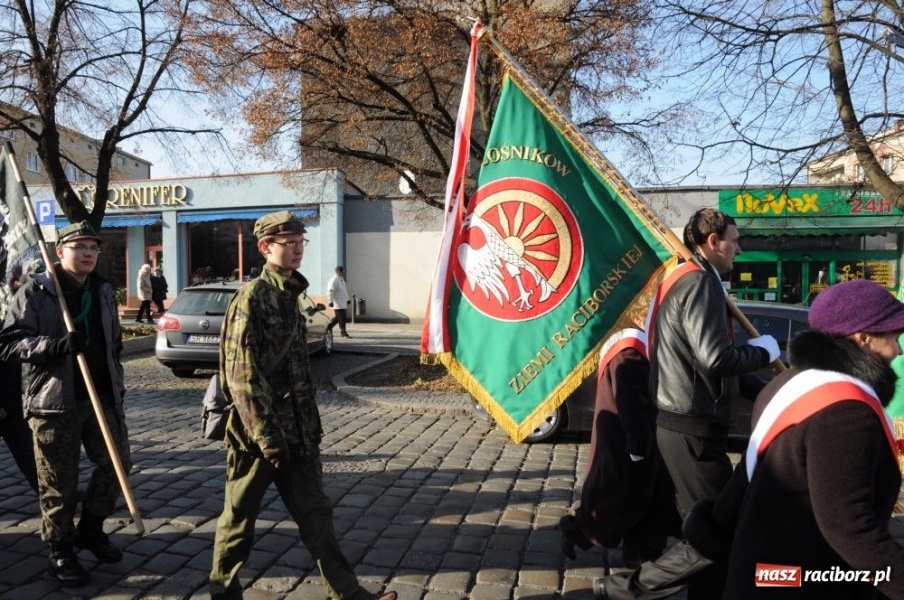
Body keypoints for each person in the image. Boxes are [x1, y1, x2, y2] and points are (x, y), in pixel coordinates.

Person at [209, 211, 396, 600]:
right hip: (257, 438)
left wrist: (306, 429)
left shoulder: (292, 295)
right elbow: (242, 376)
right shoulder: (253, 299)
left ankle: (348, 593)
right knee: (238, 522)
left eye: (300, 243)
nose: (296, 250)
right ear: (265, 247)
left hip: (299, 434)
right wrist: (267, 436)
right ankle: (223, 594)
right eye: (288, 243)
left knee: (317, 517)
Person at [712, 279, 904, 599]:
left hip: (767, 571)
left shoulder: (788, 380)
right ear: (864, 338)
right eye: (894, 337)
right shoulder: (845, 412)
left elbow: (748, 472)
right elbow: (848, 526)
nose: (898, 349)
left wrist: (713, 527)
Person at [0, 221, 130, 586]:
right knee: (59, 483)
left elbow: (113, 343)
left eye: (93, 247)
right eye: (79, 247)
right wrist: (53, 346)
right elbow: (9, 344)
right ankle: (60, 550)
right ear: (60, 252)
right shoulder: (37, 292)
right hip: (55, 402)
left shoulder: (103, 289)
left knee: (118, 466)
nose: (88, 253)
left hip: (101, 398)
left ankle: (90, 529)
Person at [559, 298, 675, 568]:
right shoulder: (630, 351)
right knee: (622, 501)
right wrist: (639, 445)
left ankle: (641, 559)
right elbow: (630, 404)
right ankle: (580, 533)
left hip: (628, 440)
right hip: (631, 444)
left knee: (637, 501)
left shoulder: (626, 343)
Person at [328, 265, 351, 338]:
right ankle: (343, 332)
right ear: (338, 272)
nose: (343, 273)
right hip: (337, 302)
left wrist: (348, 299)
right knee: (341, 318)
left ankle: (326, 328)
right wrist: (330, 301)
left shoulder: (341, 279)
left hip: (342, 302)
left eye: (344, 271)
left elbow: (344, 291)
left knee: (338, 318)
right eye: (342, 271)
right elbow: (330, 291)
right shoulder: (334, 280)